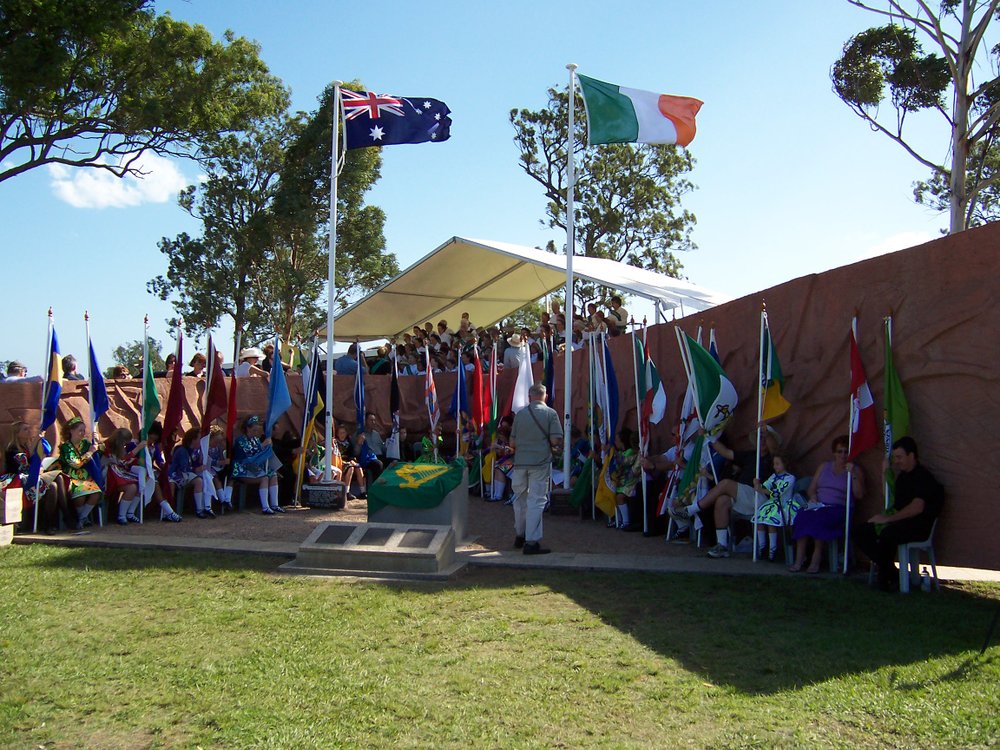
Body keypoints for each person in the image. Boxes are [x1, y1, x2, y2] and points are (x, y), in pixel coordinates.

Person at [674, 426, 782, 558]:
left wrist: (766, 432)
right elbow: (726, 452)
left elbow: (773, 446)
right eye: (760, 438)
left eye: (765, 438)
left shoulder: (774, 457)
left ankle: (692, 509)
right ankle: (722, 545)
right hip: (744, 497)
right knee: (722, 500)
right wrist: (709, 436)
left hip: (761, 497)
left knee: (725, 484)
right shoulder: (750, 454)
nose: (762, 441)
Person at [856, 436, 944, 592]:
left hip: (918, 525)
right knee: (861, 531)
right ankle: (893, 574)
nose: (896, 461)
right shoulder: (902, 478)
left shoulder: (923, 478)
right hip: (901, 522)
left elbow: (916, 508)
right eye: (895, 457)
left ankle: (885, 579)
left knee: (888, 534)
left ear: (911, 455)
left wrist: (887, 519)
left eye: (899, 457)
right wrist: (884, 473)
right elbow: (892, 502)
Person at [788, 435, 864, 573]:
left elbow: (859, 494)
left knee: (820, 520)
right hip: (819, 505)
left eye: (846, 451)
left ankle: (816, 560)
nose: (842, 455)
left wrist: (852, 474)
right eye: (839, 451)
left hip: (839, 509)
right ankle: (799, 560)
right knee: (802, 516)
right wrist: (813, 496)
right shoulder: (824, 467)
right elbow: (812, 487)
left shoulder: (855, 470)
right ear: (834, 453)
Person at [510, 383, 563, 555]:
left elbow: (512, 443)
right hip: (539, 463)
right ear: (545, 396)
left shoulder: (520, 415)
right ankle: (531, 542)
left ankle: (520, 534)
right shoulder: (550, 413)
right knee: (536, 501)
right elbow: (556, 440)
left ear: (529, 396)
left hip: (520, 463)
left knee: (519, 499)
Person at [4, 419, 66, 534]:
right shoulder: (12, 449)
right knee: (52, 486)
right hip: (19, 480)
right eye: (25, 429)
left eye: (29, 428)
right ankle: (51, 523)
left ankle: (62, 518)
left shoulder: (27, 447)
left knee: (58, 478)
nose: (29, 431)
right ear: (18, 434)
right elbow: (25, 466)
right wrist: (35, 443)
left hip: (30, 477)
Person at [751, 453, 802, 561]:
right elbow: (766, 486)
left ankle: (772, 549)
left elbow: (777, 493)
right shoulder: (773, 476)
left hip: (783, 504)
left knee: (771, 521)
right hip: (772, 503)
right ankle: (762, 546)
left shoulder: (790, 478)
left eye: (778, 464)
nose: (775, 466)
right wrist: (758, 484)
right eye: (774, 464)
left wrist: (761, 489)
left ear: (784, 464)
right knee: (759, 519)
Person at [58, 416, 105, 529]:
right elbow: (76, 464)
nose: (83, 433)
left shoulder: (85, 444)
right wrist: (89, 453)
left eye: (84, 430)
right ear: (71, 431)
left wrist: (98, 442)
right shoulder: (66, 447)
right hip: (71, 478)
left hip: (86, 478)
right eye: (80, 430)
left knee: (96, 493)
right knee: (80, 496)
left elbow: (101, 451)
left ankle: (82, 518)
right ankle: (82, 519)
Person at [231, 415, 282, 514]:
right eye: (254, 430)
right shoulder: (240, 440)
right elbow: (249, 453)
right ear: (247, 428)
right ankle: (265, 507)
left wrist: (266, 446)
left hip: (254, 467)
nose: (256, 433)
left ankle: (275, 504)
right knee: (264, 478)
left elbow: (260, 453)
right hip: (242, 468)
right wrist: (263, 445)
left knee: (273, 474)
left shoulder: (255, 440)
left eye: (256, 430)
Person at [103, 427, 145, 524]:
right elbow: (122, 461)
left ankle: (130, 513)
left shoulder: (120, 448)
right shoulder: (106, 446)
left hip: (118, 473)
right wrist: (137, 449)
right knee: (132, 488)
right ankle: (121, 516)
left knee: (140, 484)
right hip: (108, 476)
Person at [169, 427, 213, 518]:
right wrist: (196, 469)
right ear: (193, 440)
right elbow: (184, 468)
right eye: (199, 439)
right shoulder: (182, 450)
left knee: (206, 477)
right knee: (198, 481)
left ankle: (207, 506)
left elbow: (195, 463)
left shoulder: (194, 451)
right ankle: (199, 509)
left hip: (186, 474)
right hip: (176, 475)